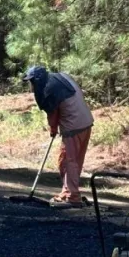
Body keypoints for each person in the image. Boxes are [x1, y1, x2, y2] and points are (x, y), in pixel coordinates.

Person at [23, 66, 94, 209]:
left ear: (37, 80)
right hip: (86, 122)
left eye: (31, 82)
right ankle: (67, 192)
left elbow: (53, 113)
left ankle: (73, 197)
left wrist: (53, 128)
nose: (31, 85)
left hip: (73, 126)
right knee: (72, 160)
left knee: (68, 162)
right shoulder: (60, 77)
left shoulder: (49, 90)